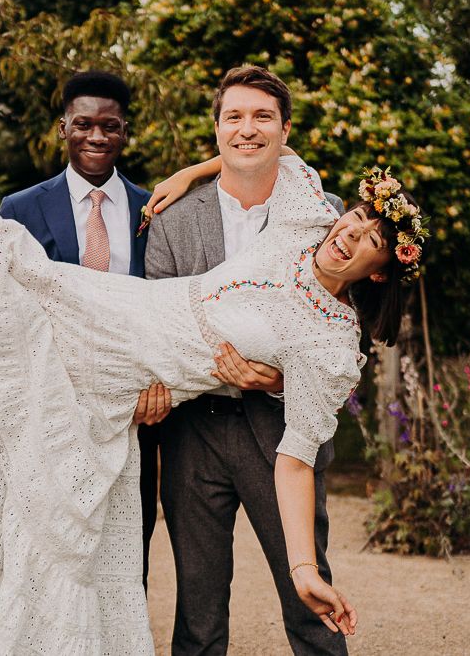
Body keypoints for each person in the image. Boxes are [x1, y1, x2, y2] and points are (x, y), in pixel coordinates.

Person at [0, 24, 426, 654]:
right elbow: (264, 149)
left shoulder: (332, 344)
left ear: (380, 270)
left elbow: (296, 461)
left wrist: (305, 570)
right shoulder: (309, 216)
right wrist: (193, 172)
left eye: (370, 241)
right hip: (121, 315)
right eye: (356, 219)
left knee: (67, 524)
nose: (349, 235)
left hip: (133, 375)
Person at [143, 65, 350, 656]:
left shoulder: (323, 214)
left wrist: (285, 378)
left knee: (308, 602)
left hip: (280, 431)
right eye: (233, 117)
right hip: (193, 436)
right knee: (198, 616)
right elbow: (159, 326)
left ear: (285, 131)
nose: (247, 129)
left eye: (263, 117)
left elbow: (336, 328)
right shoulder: (174, 220)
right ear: (216, 130)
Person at [0, 70, 171, 593]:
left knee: (128, 553)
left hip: (135, 412)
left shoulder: (154, 210)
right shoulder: (19, 209)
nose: (96, 136)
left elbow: (164, 305)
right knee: (54, 552)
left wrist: (158, 381)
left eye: (110, 126)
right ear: (63, 128)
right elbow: (10, 312)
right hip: (54, 409)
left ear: (125, 133)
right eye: (84, 124)